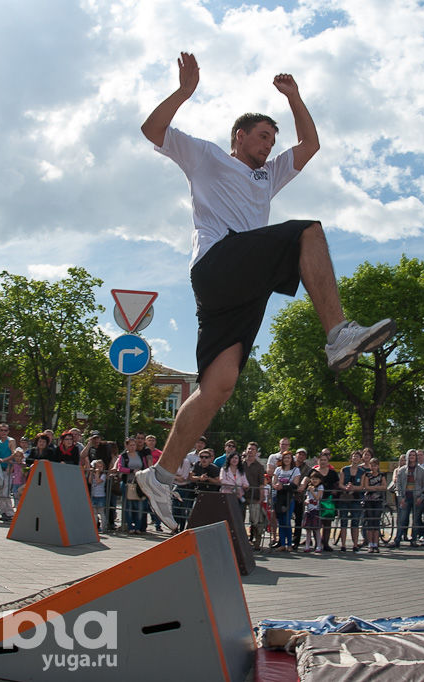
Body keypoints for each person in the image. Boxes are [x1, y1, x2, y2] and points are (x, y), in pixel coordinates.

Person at [135, 52, 396, 531]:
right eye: (261, 136)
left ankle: (161, 474)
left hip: (242, 287)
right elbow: (153, 130)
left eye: (272, 140)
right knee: (307, 232)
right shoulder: (207, 155)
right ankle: (337, 331)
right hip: (219, 262)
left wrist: (295, 98)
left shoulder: (269, 175)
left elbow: (311, 144)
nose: (267, 146)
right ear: (239, 136)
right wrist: (184, 93)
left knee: (219, 386)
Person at [272, 451, 302, 551]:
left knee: (287, 521)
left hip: (289, 497)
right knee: (280, 521)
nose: (287, 460)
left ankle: (289, 543)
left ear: (291, 459)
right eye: (285, 458)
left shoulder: (296, 470)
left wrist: (283, 486)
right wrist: (276, 485)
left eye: (289, 458)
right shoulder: (277, 469)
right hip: (279, 497)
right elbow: (274, 481)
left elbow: (295, 484)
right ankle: (282, 544)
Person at [338, 452, 366, 552]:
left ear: (360, 459)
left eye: (357, 456)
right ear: (351, 458)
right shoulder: (344, 469)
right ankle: (343, 544)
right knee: (343, 521)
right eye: (354, 456)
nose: (355, 458)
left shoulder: (362, 471)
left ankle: (355, 544)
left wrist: (354, 488)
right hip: (344, 497)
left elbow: (362, 486)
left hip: (356, 498)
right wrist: (346, 488)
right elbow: (340, 483)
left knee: (355, 521)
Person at [361, 458, 387, 553]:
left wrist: (375, 488)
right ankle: (370, 543)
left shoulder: (382, 475)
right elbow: (366, 486)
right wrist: (376, 487)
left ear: (378, 466)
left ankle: (376, 543)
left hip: (378, 500)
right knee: (369, 522)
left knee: (376, 522)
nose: (373, 467)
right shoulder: (367, 475)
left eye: (375, 465)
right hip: (369, 500)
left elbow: (384, 486)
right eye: (372, 465)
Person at [301, 470, 325, 554]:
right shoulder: (309, 487)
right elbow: (308, 497)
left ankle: (318, 545)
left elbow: (318, 497)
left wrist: (312, 491)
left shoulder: (320, 487)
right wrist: (306, 500)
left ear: (320, 480)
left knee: (317, 530)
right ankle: (307, 545)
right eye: (312, 479)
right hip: (308, 510)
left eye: (316, 479)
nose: (314, 481)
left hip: (316, 510)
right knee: (308, 530)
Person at [88, 459, 108, 532]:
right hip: (94, 495)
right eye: (97, 466)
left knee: (101, 512)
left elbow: (98, 481)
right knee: (94, 513)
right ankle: (95, 527)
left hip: (101, 496)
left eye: (101, 466)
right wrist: (91, 473)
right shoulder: (94, 474)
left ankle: (104, 528)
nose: (99, 468)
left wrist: (96, 474)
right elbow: (90, 481)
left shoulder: (103, 475)